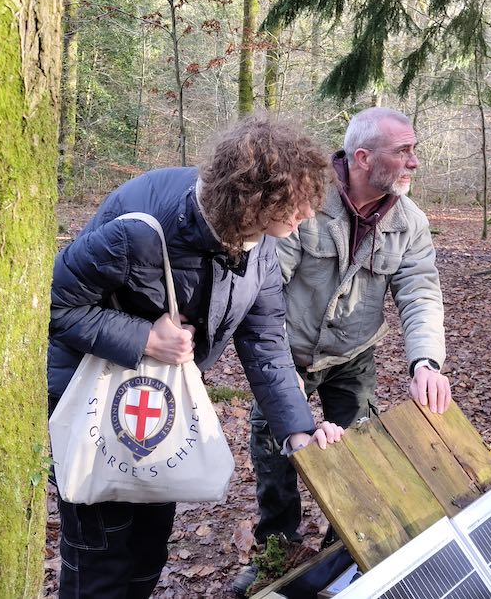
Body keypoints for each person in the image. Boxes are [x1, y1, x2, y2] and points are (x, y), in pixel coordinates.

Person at [47, 114, 345, 599]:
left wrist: (299, 432)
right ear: (253, 198)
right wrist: (144, 338)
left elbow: (266, 344)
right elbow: (56, 304)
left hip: (158, 409)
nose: (306, 216)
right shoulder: (142, 231)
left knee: (148, 550)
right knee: (101, 558)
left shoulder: (258, 246)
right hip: (93, 407)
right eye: (295, 205)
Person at [234, 107, 449, 592]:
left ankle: (342, 558)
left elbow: (420, 291)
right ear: (362, 157)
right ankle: (275, 551)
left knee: (355, 456)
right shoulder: (305, 203)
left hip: (354, 358)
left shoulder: (410, 223)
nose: (415, 162)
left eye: (414, 150)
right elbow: (267, 285)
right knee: (276, 455)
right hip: (287, 352)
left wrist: (426, 361)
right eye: (404, 152)